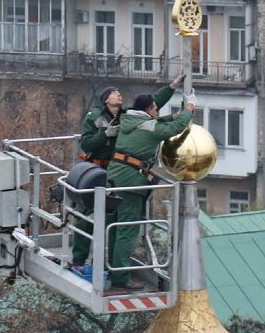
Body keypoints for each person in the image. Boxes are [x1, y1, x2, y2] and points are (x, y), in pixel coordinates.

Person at [71, 77, 183, 269]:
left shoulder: (125, 116)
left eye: (119, 92)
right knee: (87, 216)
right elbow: (87, 144)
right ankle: (78, 259)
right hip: (98, 170)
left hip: (117, 171)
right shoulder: (95, 117)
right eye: (114, 93)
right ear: (106, 100)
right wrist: (105, 134)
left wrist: (172, 86)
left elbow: (152, 104)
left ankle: (105, 263)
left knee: (111, 218)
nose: (119, 94)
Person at [103, 90, 195, 293]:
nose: (157, 112)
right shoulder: (150, 126)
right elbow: (175, 128)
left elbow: (156, 123)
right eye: (155, 109)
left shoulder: (129, 120)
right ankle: (120, 278)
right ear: (148, 110)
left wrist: (172, 115)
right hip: (130, 182)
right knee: (127, 229)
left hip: (115, 175)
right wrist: (189, 107)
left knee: (115, 226)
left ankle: (111, 268)